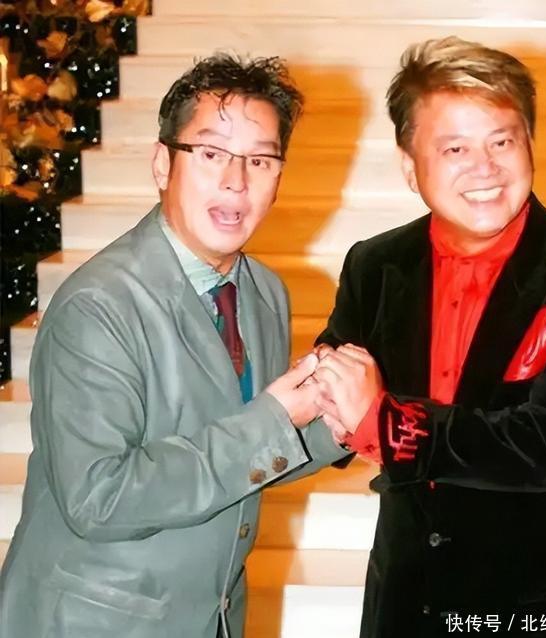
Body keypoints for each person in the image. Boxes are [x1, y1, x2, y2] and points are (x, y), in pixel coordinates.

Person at [0, 54, 347, 638]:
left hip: (209, 616)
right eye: (211, 154)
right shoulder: (98, 306)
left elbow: (238, 458)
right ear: (163, 164)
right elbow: (99, 500)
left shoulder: (263, 292)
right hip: (95, 621)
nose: (236, 181)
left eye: (260, 160)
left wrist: (337, 424)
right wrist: (274, 419)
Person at [313, 36, 546, 637]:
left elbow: (545, 448)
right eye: (455, 148)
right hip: (403, 604)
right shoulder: (374, 265)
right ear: (409, 166)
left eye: (501, 141)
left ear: (530, 143)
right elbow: (332, 384)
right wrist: (322, 397)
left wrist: (382, 422)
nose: (484, 167)